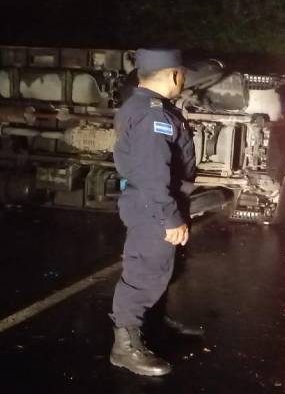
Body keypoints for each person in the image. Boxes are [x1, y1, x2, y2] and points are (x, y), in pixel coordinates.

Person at [109, 48, 201, 376]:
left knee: (162, 268)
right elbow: (152, 173)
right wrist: (169, 216)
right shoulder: (152, 115)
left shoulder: (146, 106)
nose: (184, 79)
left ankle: (154, 323)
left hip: (156, 201)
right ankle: (125, 347)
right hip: (153, 204)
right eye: (183, 74)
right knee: (144, 274)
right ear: (174, 75)